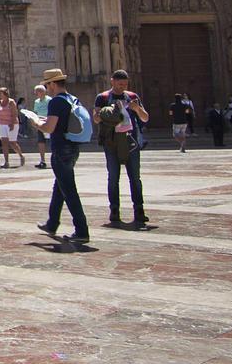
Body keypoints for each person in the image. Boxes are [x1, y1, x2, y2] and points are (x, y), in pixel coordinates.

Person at [34, 69, 90, 243]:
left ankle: (81, 230)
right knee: (60, 187)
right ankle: (52, 223)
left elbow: (49, 128)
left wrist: (36, 122)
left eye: (47, 84)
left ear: (52, 84)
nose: (47, 88)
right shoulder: (71, 99)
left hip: (61, 149)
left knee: (69, 191)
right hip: (73, 148)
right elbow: (62, 121)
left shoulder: (56, 102)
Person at [94, 70, 150, 227]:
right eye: (119, 84)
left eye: (125, 85)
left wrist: (137, 109)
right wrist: (105, 113)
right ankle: (114, 210)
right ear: (112, 81)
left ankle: (139, 210)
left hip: (131, 142)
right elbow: (96, 118)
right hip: (111, 143)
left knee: (135, 178)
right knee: (113, 177)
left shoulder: (132, 97)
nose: (122, 87)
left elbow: (145, 117)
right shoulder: (103, 97)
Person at [0, 88, 26, 168]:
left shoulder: (11, 102)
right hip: (2, 124)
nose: (0, 95)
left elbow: (15, 113)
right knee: (4, 143)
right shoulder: (1, 102)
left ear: (5, 94)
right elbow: (0, 112)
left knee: (12, 143)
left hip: (11, 124)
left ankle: (21, 156)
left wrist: (11, 123)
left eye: (1, 93)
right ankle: (6, 162)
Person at [32, 85, 51, 169]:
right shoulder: (36, 102)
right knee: (41, 142)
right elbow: (35, 112)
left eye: (37, 92)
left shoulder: (49, 100)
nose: (36, 94)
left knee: (52, 141)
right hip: (40, 123)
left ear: (42, 92)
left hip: (48, 122)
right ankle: (42, 160)